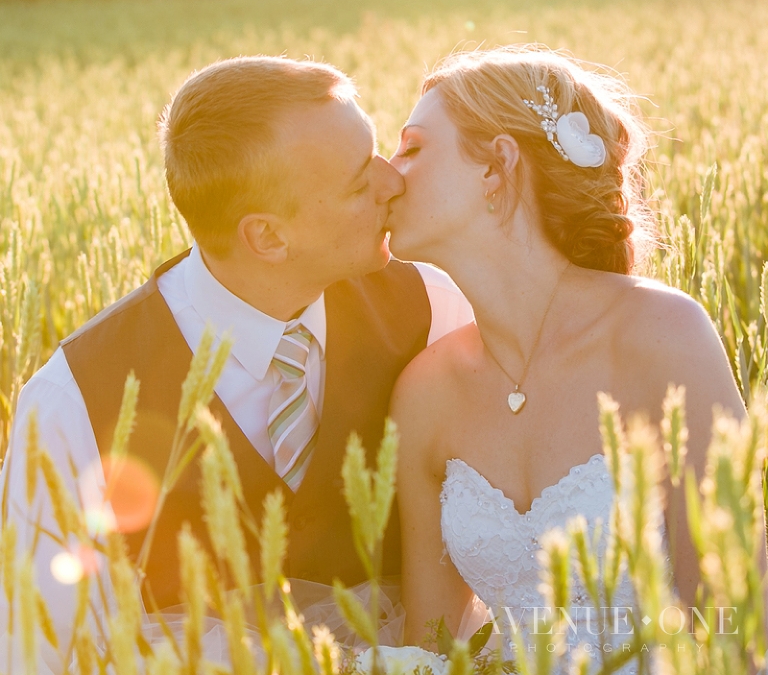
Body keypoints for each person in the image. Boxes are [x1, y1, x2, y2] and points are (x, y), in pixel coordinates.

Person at [0, 55, 473, 671]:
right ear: (268, 238)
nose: (393, 183)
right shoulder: (73, 400)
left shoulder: (433, 309)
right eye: (360, 182)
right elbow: (40, 651)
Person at [387, 46, 749, 664]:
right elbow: (430, 647)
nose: (387, 173)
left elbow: (735, 613)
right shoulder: (425, 391)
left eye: (413, 148)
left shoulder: (664, 337)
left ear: (496, 167)